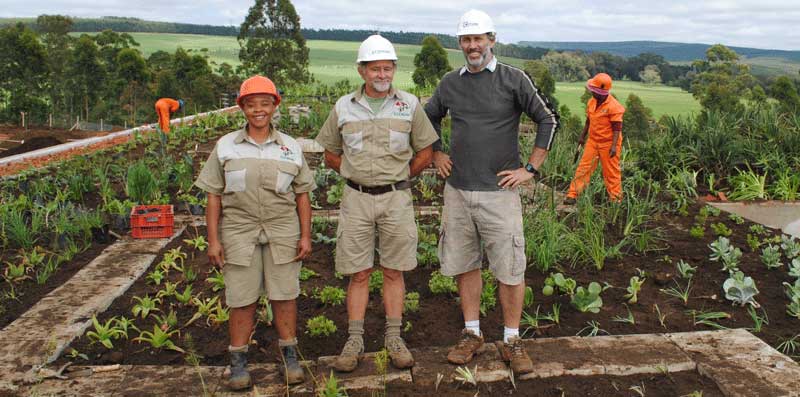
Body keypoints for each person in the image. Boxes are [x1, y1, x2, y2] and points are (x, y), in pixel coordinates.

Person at [424, 9, 559, 374]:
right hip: (458, 191)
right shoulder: (450, 83)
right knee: (466, 264)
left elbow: (548, 118)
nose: (472, 46)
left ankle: (512, 339)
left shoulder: (514, 80)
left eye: (478, 39)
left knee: (509, 268)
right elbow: (429, 115)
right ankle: (472, 333)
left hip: (499, 192)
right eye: (466, 40)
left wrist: (530, 169)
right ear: (460, 44)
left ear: (491, 40)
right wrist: (437, 151)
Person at [315, 35, 438, 372]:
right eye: (375, 68)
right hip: (355, 200)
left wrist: (398, 177)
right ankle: (354, 340)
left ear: (393, 69)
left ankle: (394, 337)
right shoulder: (343, 107)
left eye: (387, 68)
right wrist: (357, 176)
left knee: (394, 271)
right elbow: (330, 154)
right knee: (358, 273)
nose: (382, 74)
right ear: (362, 71)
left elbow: (425, 152)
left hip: (396, 199)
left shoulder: (410, 105)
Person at [194, 75, 315, 390]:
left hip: (282, 228)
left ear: (275, 105)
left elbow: (302, 195)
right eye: (251, 104)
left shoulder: (290, 147)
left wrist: (305, 235)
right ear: (242, 108)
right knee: (241, 298)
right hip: (239, 229)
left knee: (285, 295)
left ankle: (290, 357)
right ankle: (238, 363)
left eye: (265, 103)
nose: (258, 110)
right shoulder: (226, 147)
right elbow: (213, 196)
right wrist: (214, 240)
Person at [564, 73, 626, 204]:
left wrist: (614, 146)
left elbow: (617, 128)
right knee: (583, 168)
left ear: (600, 92)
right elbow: (588, 121)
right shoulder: (591, 102)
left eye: (593, 90)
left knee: (611, 173)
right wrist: (582, 137)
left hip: (609, 144)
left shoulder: (614, 106)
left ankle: (615, 200)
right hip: (593, 141)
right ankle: (572, 194)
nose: (591, 91)